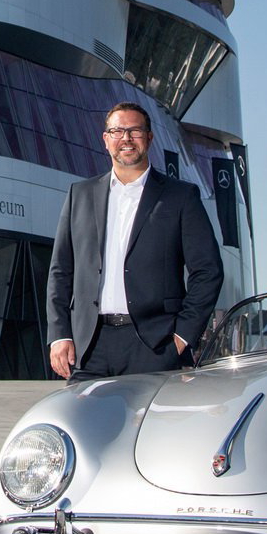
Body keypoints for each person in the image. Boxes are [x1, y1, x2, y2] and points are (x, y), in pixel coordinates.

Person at [46, 102, 223, 382]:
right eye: (117, 131)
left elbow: (208, 271)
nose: (126, 138)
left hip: (155, 345)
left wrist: (182, 335)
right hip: (89, 346)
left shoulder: (180, 196)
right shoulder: (79, 194)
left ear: (149, 138)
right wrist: (59, 334)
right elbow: (61, 271)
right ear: (106, 140)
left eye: (135, 131)